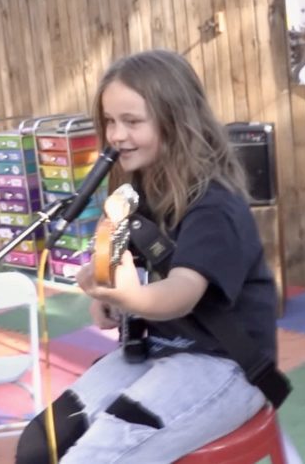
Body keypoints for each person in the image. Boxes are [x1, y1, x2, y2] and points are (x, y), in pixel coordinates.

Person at [15, 49, 279, 463]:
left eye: (132, 122)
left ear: (176, 122)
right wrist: (108, 296)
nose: (116, 135)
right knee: (37, 447)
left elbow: (182, 293)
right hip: (155, 351)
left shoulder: (215, 205)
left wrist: (131, 297)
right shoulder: (138, 192)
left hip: (224, 365)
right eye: (109, 121)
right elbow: (136, 269)